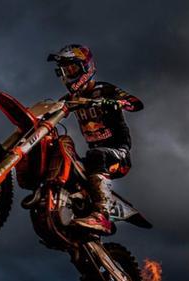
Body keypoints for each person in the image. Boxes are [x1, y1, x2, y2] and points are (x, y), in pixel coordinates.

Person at [47, 44, 143, 234]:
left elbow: (136, 103)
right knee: (66, 160)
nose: (68, 73)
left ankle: (102, 217)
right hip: (94, 157)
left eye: (72, 68)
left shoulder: (104, 90)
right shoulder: (70, 98)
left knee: (96, 154)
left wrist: (114, 102)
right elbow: (52, 113)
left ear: (85, 68)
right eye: (65, 70)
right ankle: (70, 211)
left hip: (119, 154)